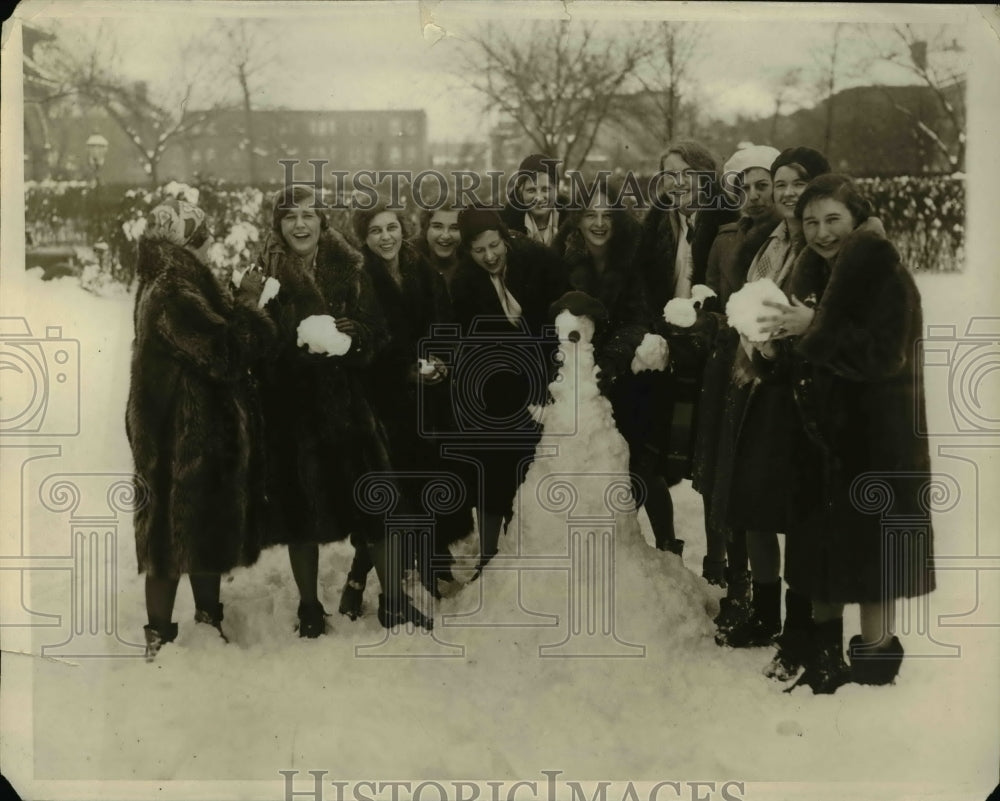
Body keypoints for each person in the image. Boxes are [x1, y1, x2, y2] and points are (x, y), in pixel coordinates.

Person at [753, 174, 935, 693]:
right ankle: (827, 657)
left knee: (875, 557)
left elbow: (884, 356)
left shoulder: (885, 275)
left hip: (875, 437)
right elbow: (803, 353)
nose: (822, 232)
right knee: (820, 550)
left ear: (857, 219)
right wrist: (771, 352)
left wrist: (813, 327)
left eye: (833, 219)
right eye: (811, 221)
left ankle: (877, 663)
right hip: (820, 437)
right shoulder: (812, 272)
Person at [255, 185, 431, 635]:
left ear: (322, 221)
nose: (300, 225)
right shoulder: (264, 272)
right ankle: (309, 608)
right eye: (290, 217)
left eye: (308, 215)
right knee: (301, 513)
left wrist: (355, 337)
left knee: (377, 506)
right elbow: (252, 342)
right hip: (293, 410)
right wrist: (290, 346)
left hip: (350, 405)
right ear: (278, 226)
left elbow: (378, 332)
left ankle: (394, 601)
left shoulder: (351, 266)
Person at [126, 198, 275, 660]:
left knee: (194, 524)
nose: (210, 244)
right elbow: (225, 354)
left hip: (178, 426)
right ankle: (162, 636)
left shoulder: (168, 280)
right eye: (204, 236)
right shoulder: (175, 288)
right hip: (184, 431)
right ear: (191, 240)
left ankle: (198, 624)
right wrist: (248, 302)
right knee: (172, 533)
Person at [712, 148, 832, 678]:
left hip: (804, 395)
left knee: (800, 515)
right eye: (779, 183)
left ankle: (800, 629)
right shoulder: (770, 240)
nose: (785, 192)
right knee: (754, 505)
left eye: (796, 183)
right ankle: (766, 614)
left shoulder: (824, 244)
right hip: (761, 384)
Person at [338, 203, 471, 617]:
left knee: (426, 483)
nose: (386, 237)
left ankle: (430, 566)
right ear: (364, 238)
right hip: (382, 402)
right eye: (376, 231)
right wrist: (404, 371)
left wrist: (442, 361)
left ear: (403, 229)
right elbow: (363, 343)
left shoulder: (420, 268)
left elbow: (444, 323)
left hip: (427, 398)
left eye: (392, 228)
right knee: (385, 495)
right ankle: (360, 577)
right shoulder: (359, 277)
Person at [629, 141, 740, 556]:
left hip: (710, 342)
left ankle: (720, 561)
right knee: (654, 450)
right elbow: (640, 280)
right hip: (665, 342)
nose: (676, 184)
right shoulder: (657, 220)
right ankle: (666, 545)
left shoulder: (726, 218)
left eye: (685, 174)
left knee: (711, 459)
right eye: (669, 175)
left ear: (705, 176)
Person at [450, 207, 569, 566]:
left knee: (532, 468)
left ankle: (525, 551)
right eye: (479, 251)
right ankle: (488, 556)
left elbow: (561, 316)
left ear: (505, 238)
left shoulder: (537, 262)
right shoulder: (464, 282)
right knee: (493, 469)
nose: (489, 256)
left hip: (544, 375)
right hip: (496, 385)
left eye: (494, 246)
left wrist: (551, 370)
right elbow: (470, 341)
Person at [501, 153, 562, 247]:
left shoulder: (574, 224)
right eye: (531, 190)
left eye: (545, 189)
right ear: (521, 192)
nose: (539, 198)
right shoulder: (505, 228)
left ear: (556, 190)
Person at [415, 202, 462, 296]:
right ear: (425, 229)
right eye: (437, 227)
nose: (445, 236)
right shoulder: (409, 264)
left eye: (454, 228)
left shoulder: (475, 265)